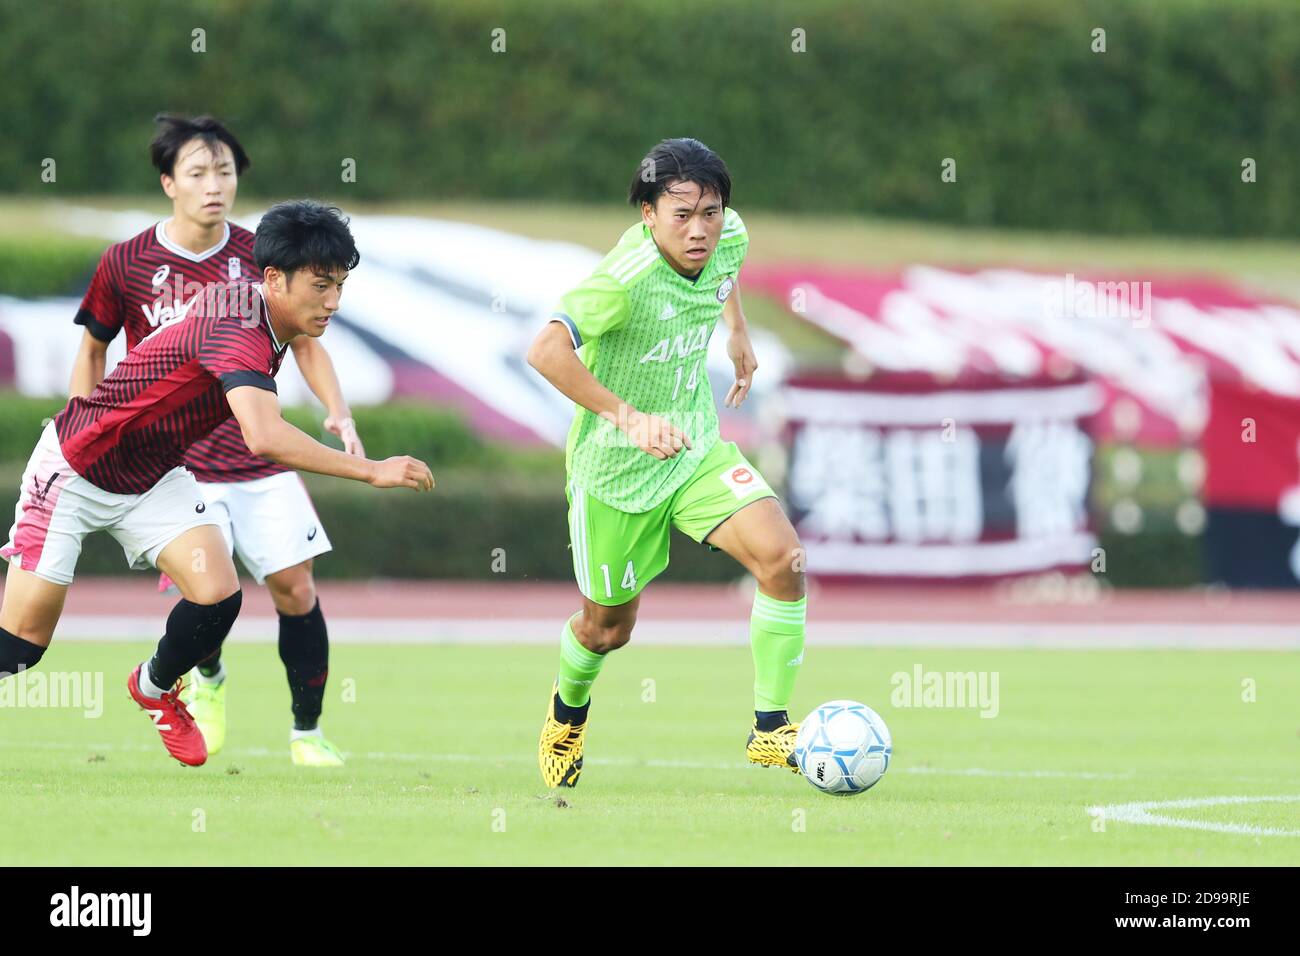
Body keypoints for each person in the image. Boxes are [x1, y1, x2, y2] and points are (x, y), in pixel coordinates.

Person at [1, 199, 434, 767]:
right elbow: (265, 437)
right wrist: (372, 469)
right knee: (20, 651)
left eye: (340, 286)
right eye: (322, 285)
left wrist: (338, 412)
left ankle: (154, 689)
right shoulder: (237, 327)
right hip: (76, 469)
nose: (333, 301)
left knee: (218, 597)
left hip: (153, 476)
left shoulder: (262, 308)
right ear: (274, 279)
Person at [68, 114, 363, 765]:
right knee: (210, 595)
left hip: (262, 454)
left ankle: (306, 734)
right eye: (199, 172)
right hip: (176, 466)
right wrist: (83, 424)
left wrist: (337, 412)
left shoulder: (265, 256)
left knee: (297, 588)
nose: (214, 185)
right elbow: (93, 350)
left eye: (225, 172)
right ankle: (207, 679)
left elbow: (308, 344)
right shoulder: (127, 261)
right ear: (169, 182)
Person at [527, 138, 807, 788]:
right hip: (616, 477)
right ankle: (568, 714)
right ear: (647, 214)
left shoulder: (727, 236)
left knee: (782, 558)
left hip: (693, 450)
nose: (700, 228)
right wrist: (626, 417)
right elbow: (544, 351)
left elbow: (726, 267)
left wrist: (736, 330)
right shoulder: (621, 280)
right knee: (606, 631)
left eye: (710, 211)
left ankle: (770, 730)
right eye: (682, 214)